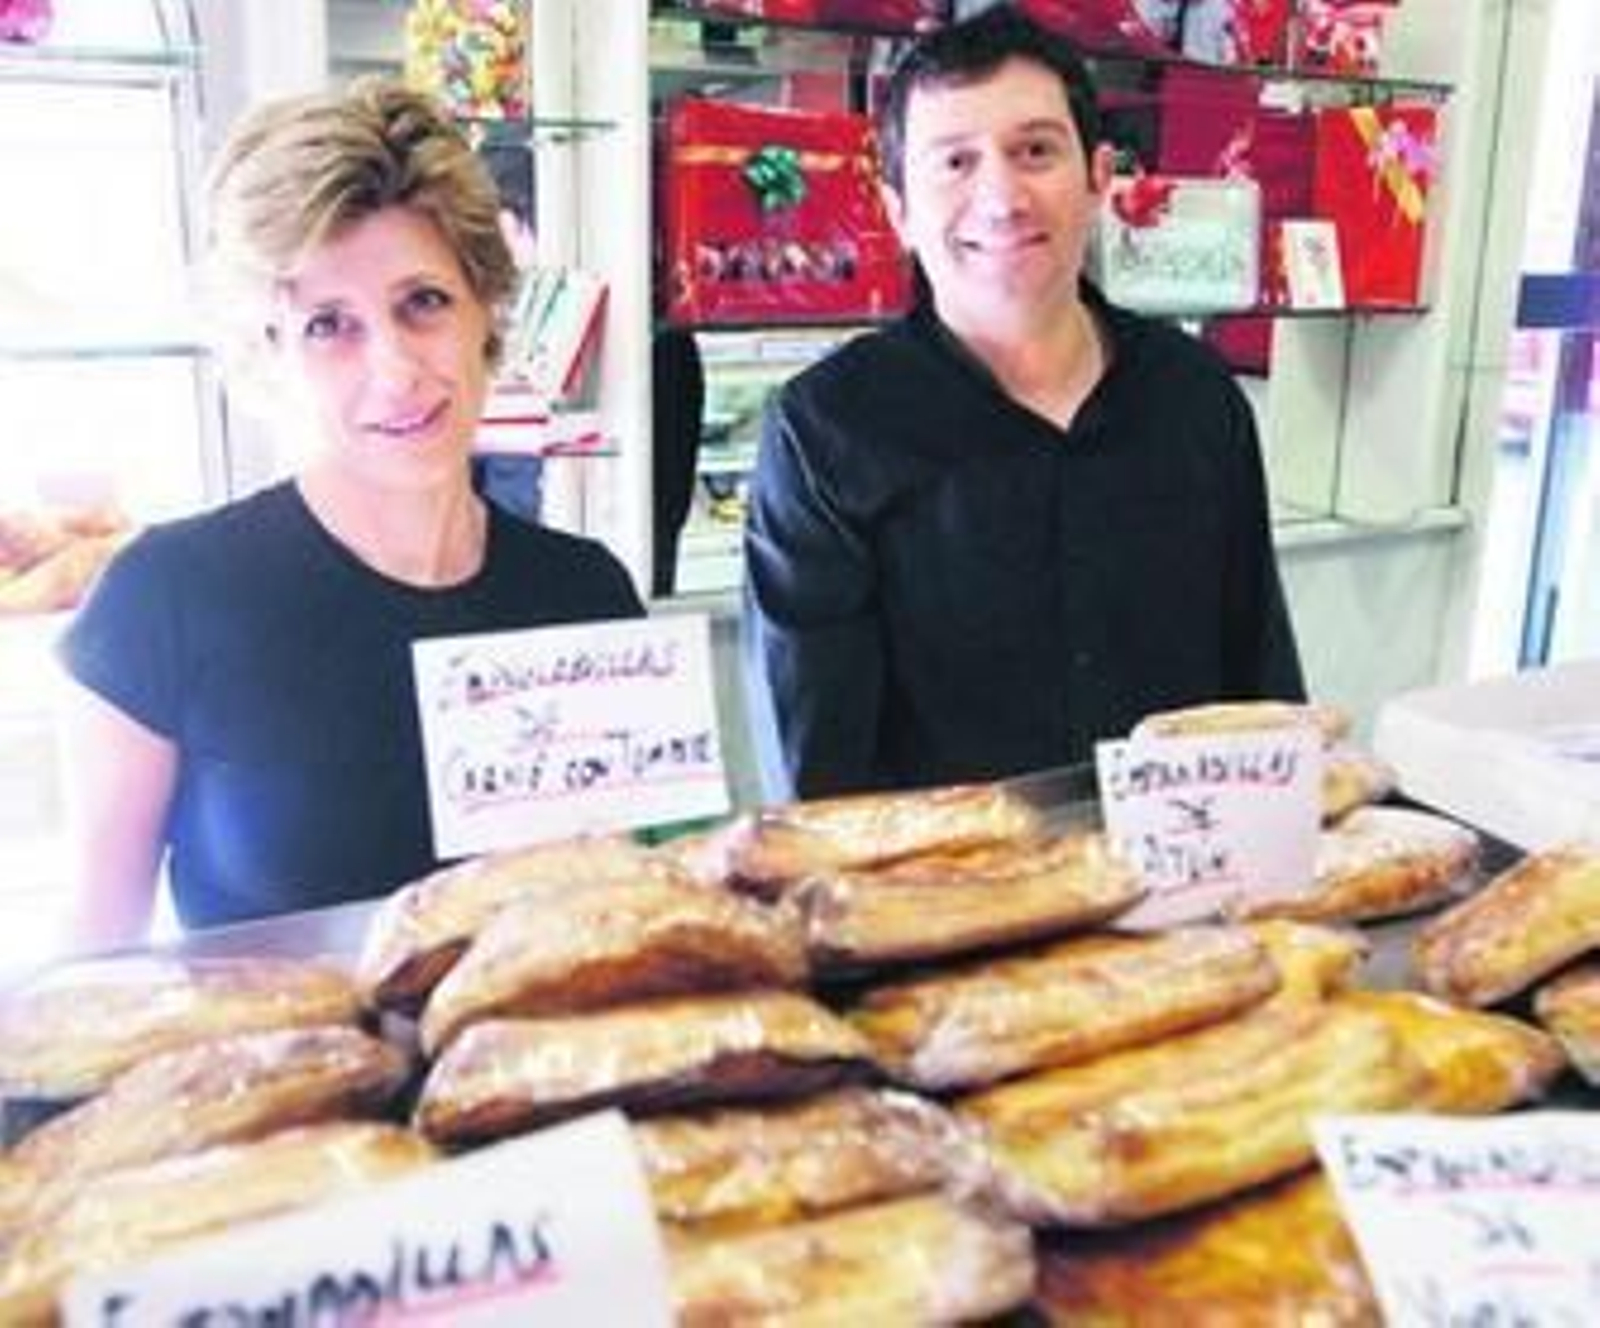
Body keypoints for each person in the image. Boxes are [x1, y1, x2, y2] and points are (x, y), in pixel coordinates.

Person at [57, 79, 644, 947]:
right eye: (330, 325)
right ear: (267, 354)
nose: (397, 370)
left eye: (424, 302)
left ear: (485, 310)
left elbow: (615, 924)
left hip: (546, 1078)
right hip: (279, 1079)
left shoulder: (585, 594)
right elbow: (91, 972)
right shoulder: (162, 601)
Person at [743, 4, 1304, 800]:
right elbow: (818, 777)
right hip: (951, 905)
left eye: (1035, 150)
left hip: (1188, 891)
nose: (1001, 198)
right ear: (897, 210)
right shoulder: (826, 432)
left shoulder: (1197, 397)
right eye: (955, 163)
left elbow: (1263, 692)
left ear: (1102, 178)